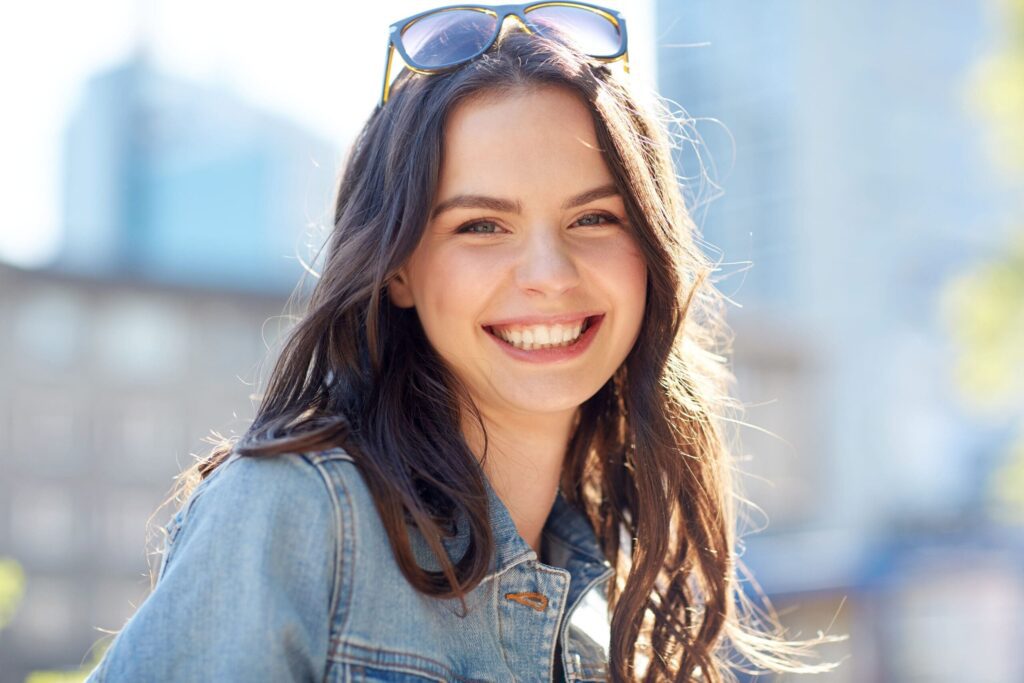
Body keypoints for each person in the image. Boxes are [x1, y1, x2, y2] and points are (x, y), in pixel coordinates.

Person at [84, 3, 844, 681]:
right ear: (398, 268)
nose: (548, 274)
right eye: (481, 226)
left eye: (594, 219)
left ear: (649, 249)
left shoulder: (609, 608)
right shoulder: (296, 515)